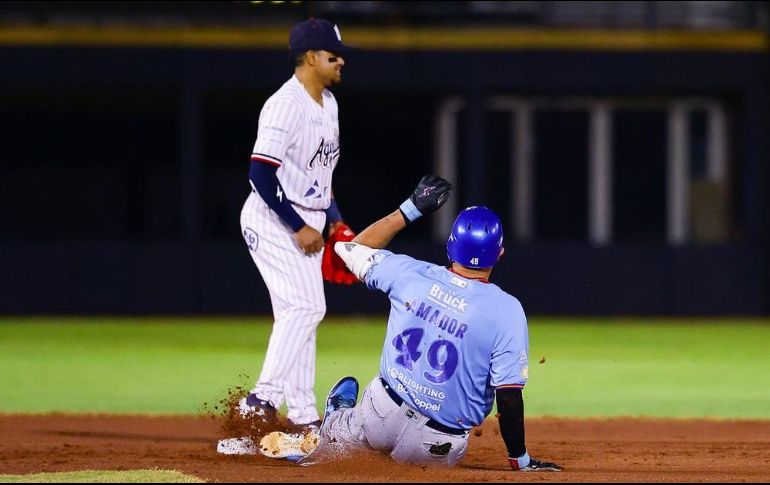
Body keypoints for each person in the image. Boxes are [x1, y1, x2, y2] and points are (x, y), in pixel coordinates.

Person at [262, 174, 561, 470]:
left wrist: (411, 209)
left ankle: (334, 432)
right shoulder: (507, 310)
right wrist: (519, 461)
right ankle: (353, 440)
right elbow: (508, 398)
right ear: (499, 254)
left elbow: (348, 250)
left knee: (348, 425)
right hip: (439, 445)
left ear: (450, 246)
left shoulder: (410, 273)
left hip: (380, 414)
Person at [223, 17, 357, 452]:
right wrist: (298, 226)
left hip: (311, 221)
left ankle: (301, 418)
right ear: (311, 58)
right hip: (272, 219)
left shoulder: (330, 105)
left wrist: (334, 220)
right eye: (333, 54)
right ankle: (259, 402)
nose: (341, 60)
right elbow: (260, 173)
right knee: (307, 306)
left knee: (298, 317)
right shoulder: (285, 104)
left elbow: (323, 174)